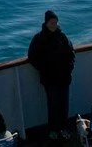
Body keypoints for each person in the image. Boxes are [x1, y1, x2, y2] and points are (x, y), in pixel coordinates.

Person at [27, 10, 76, 138]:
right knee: (53, 105)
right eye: (51, 22)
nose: (54, 24)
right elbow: (32, 56)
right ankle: (53, 130)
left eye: (55, 22)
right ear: (46, 22)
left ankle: (63, 128)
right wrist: (43, 69)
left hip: (64, 77)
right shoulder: (39, 39)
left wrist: (69, 68)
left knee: (64, 105)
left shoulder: (62, 37)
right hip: (50, 79)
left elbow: (71, 53)